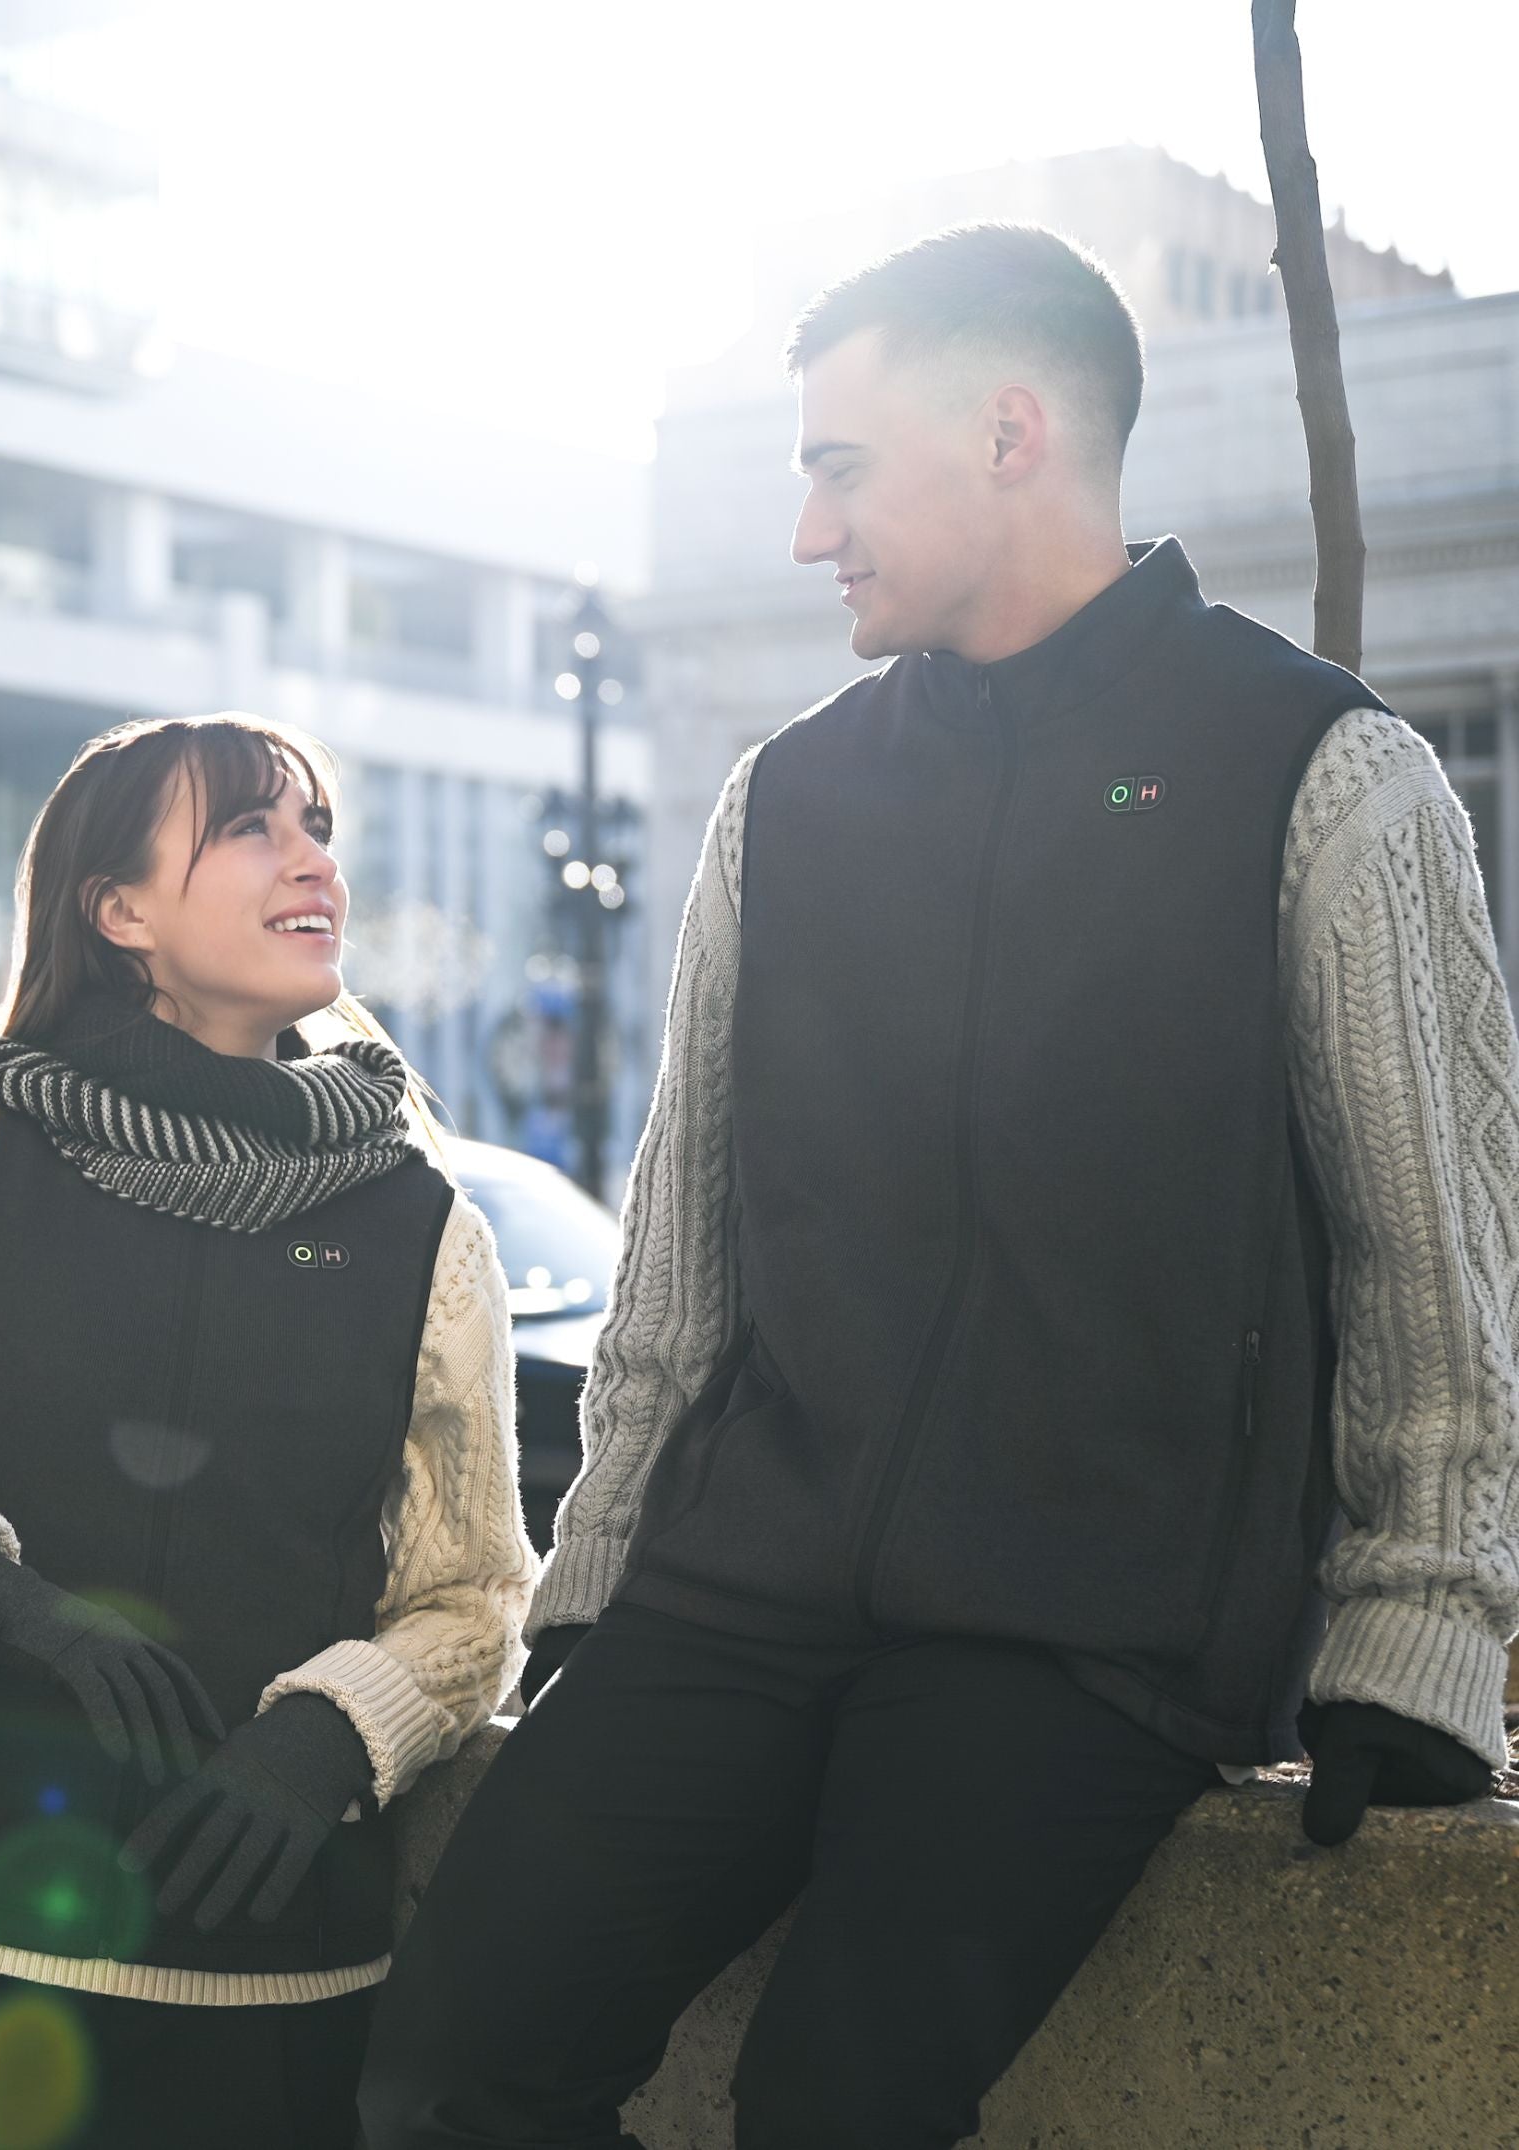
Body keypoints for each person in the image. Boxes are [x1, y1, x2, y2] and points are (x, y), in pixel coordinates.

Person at [357, 225, 1518, 2149]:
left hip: (1089, 1632)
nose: (810, 535)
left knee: (830, 2108)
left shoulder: (1319, 771)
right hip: (740, 1594)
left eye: (837, 468)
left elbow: (1440, 1243)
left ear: (1009, 431)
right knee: (444, 2060)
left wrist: (1421, 1628)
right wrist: (608, 1584)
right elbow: (683, 1254)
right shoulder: (786, 799)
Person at [0, 712, 535, 2149]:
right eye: (250, 826)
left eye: (319, 829)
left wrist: (338, 1737)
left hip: (291, 2008)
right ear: (118, 910)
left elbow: (472, 1596)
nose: (312, 862)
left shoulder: (423, 1222)